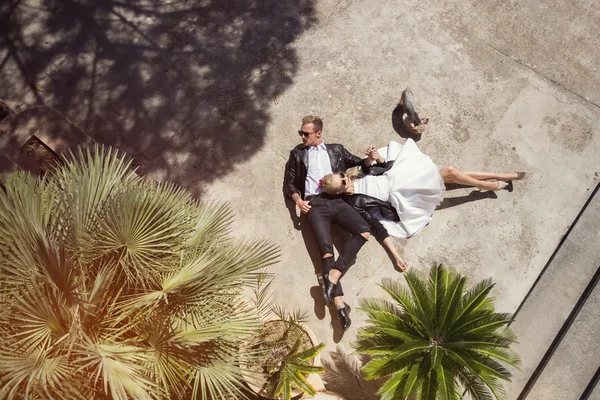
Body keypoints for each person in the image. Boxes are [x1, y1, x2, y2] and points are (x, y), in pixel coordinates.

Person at [321, 139, 526, 239]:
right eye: (343, 182)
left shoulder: (356, 174)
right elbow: (375, 221)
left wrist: (373, 157)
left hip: (399, 176)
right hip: (402, 194)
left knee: (450, 173)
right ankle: (492, 182)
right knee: (450, 172)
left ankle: (494, 181)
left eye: (342, 175)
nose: (345, 178)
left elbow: (381, 167)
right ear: (340, 192)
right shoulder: (355, 201)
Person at [283, 116, 378, 330]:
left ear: (319, 133)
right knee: (326, 253)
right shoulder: (297, 154)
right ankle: (340, 305)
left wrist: (370, 158)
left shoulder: (336, 150)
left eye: (306, 133)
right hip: (314, 205)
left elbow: (359, 164)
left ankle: (334, 274)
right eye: (301, 133)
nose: (302, 137)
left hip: (337, 202)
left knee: (363, 231)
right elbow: (289, 182)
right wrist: (298, 201)